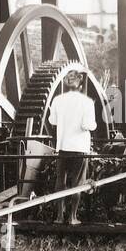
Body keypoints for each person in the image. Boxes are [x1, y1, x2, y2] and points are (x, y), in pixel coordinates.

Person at [47, 73, 96, 225]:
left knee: (60, 182)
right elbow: (87, 125)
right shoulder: (87, 102)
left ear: (66, 85)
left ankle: (59, 217)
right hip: (80, 148)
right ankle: (72, 217)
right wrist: (93, 125)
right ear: (81, 86)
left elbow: (52, 121)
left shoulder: (57, 100)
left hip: (62, 147)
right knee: (77, 183)